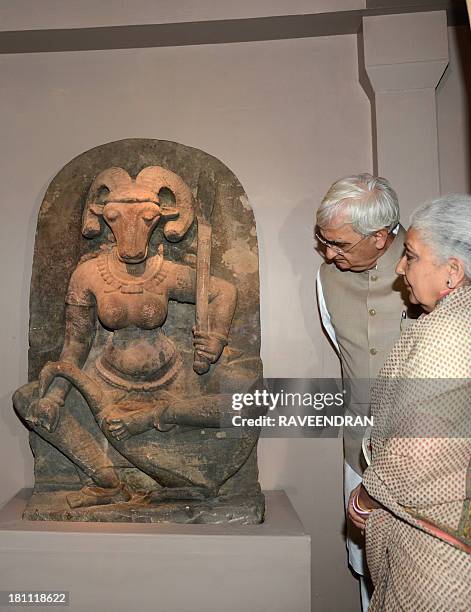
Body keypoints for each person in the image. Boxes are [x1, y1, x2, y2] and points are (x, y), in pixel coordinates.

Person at [348, 194, 471, 610]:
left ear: (452, 272)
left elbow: (416, 453)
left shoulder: (448, 333)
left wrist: (364, 499)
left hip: (436, 556)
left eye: (412, 257)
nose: (401, 268)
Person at [315, 174, 415, 610]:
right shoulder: (325, 279)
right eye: (324, 240)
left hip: (427, 451)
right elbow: (348, 354)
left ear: (379, 237)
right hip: (358, 449)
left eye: (339, 244)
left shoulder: (435, 265)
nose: (328, 253)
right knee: (368, 570)